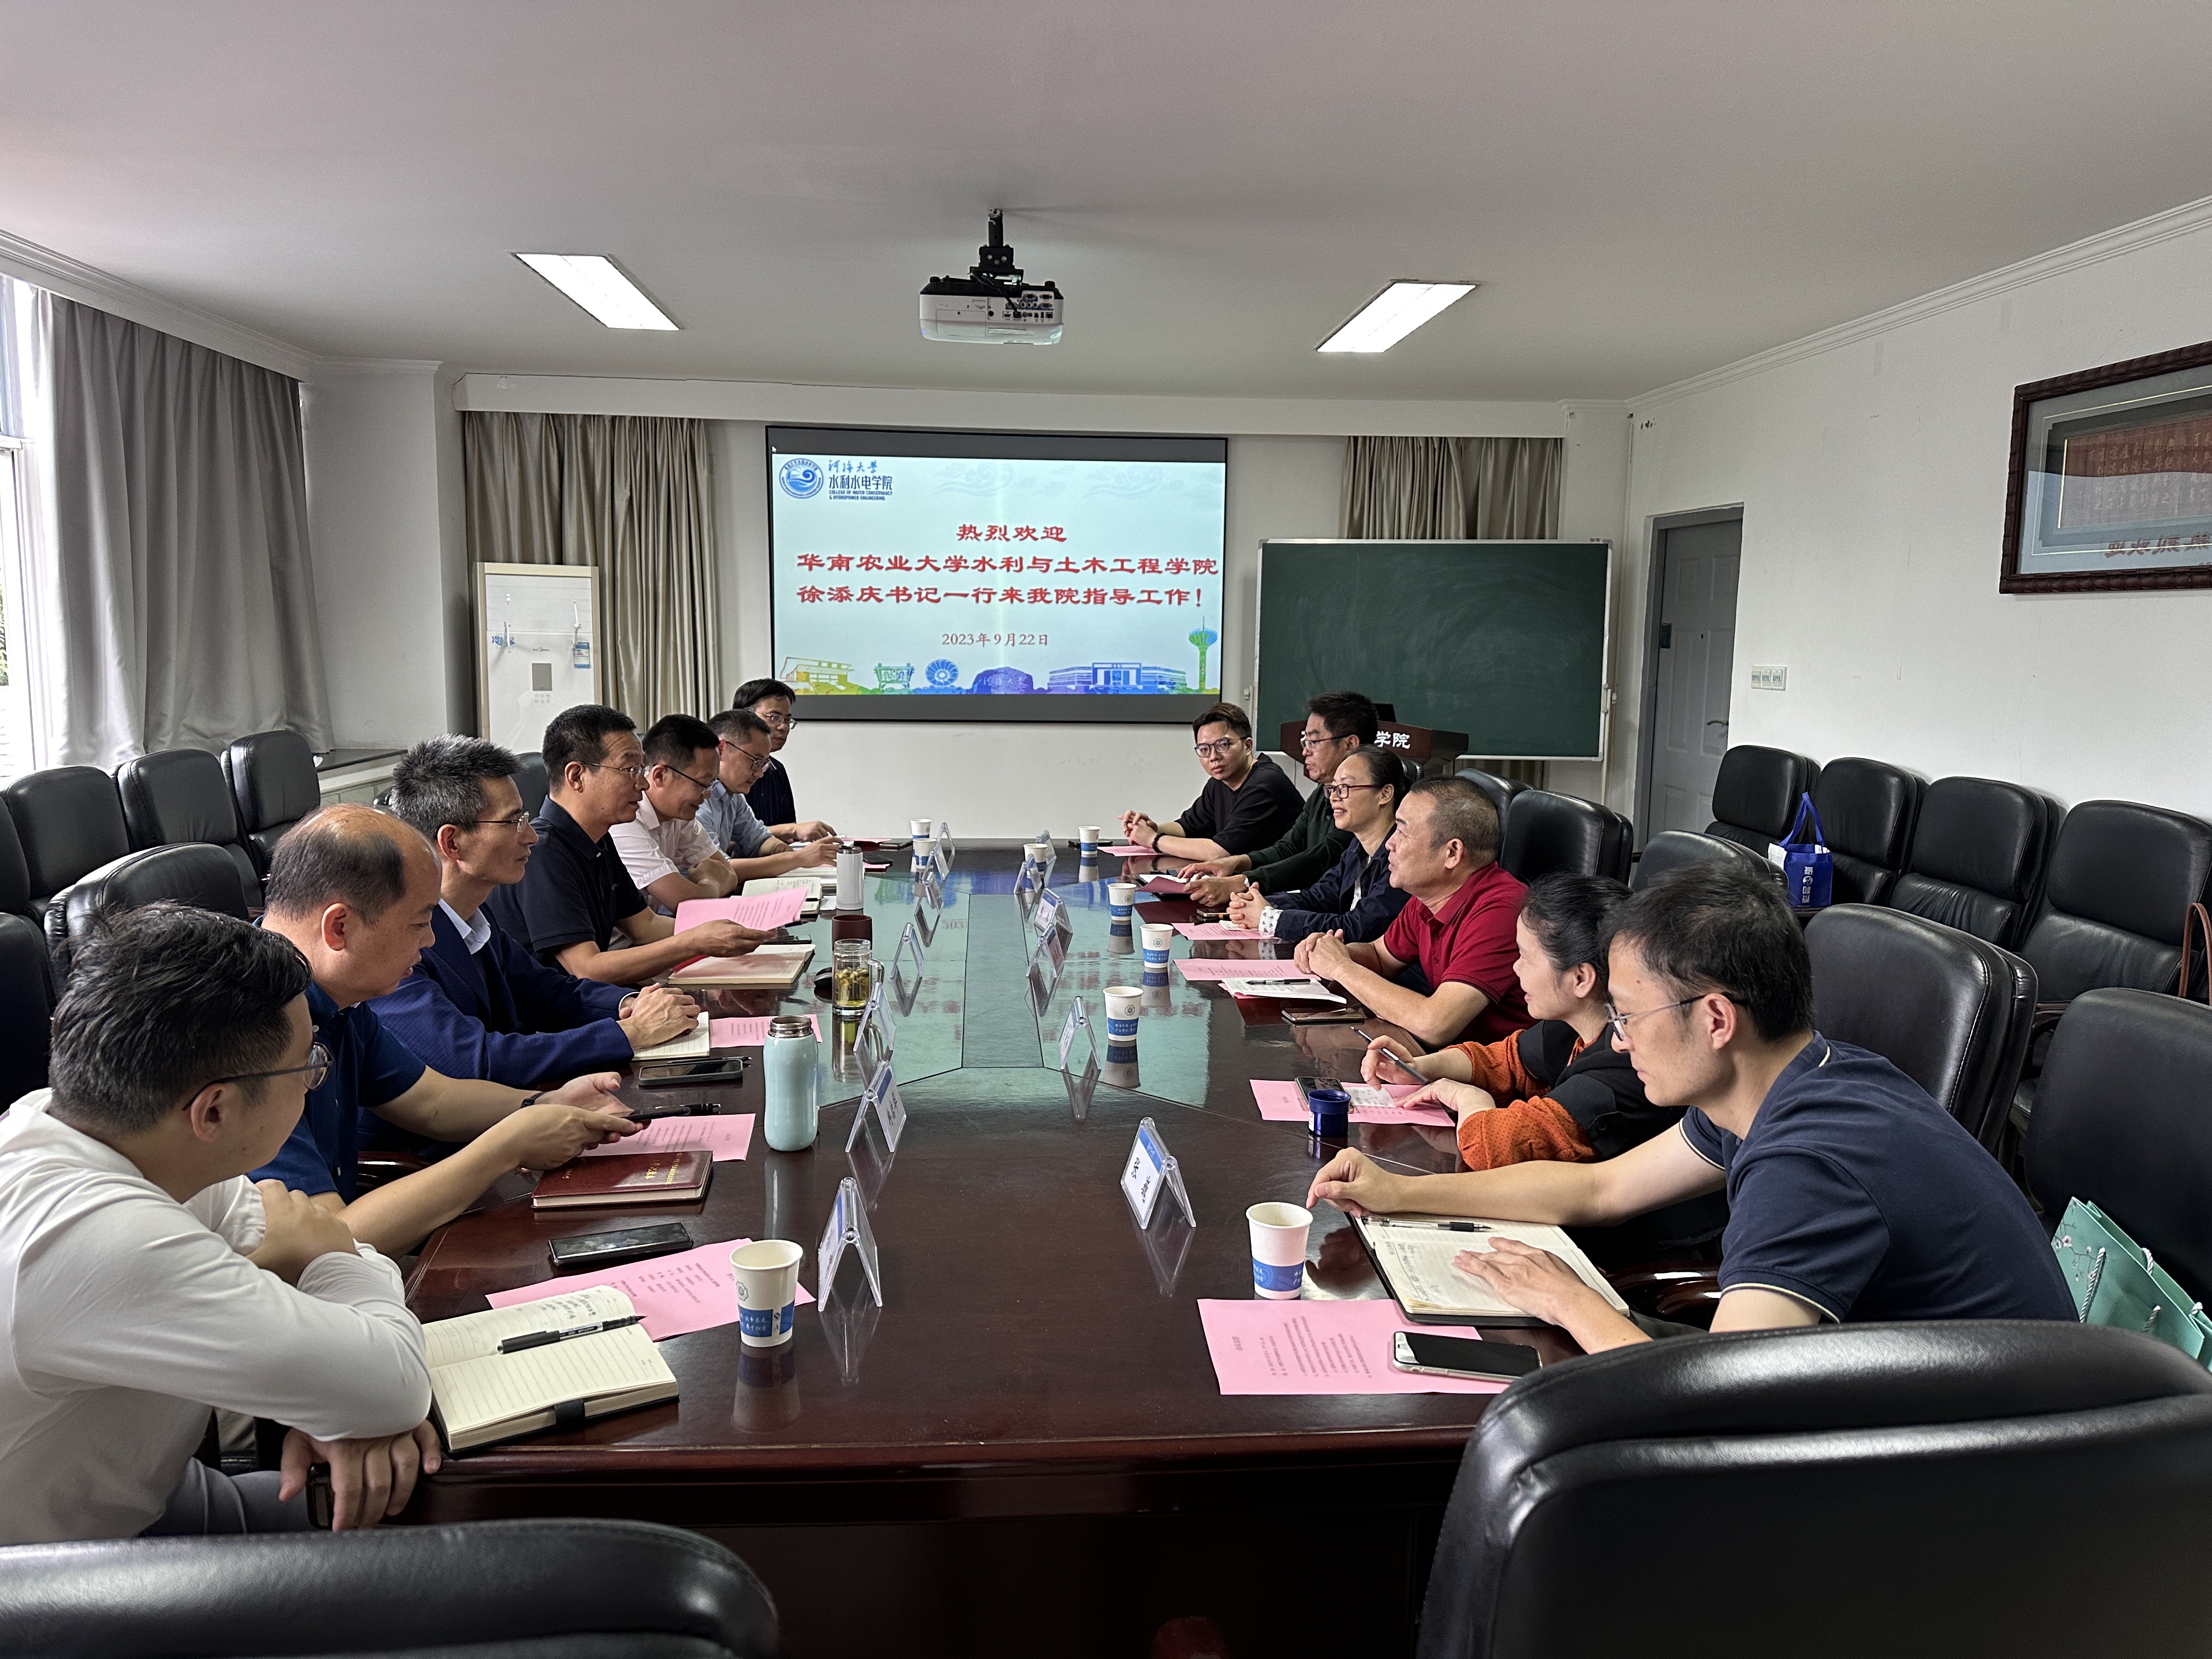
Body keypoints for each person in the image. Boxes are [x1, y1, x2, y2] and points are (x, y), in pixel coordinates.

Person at [1308, 862, 2077, 1353]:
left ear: (1714, 1019)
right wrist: (1398, 1193)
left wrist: (1569, 1300)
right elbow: (1598, 1189)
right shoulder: (1788, 1081)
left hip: (1987, 1471)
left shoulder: (1808, 1161)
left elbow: (1725, 1403)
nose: (1617, 1039)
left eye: (1629, 1016)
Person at [0, 903, 435, 1542]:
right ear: (213, 1112)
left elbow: (320, 1247)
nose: (313, 1081)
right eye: (307, 1068)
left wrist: (340, 1395)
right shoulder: (95, 1236)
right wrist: (334, 1289)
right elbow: (391, 1380)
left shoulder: (81, 1125)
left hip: (135, 1491)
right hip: (52, 1571)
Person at [256, 805, 644, 1255]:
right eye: (419, 923)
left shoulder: (337, 994)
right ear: (340, 927)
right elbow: (326, 1242)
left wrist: (544, 1104)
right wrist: (507, 1147)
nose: (430, 942)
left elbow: (432, 1101)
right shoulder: (248, 1027)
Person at [374, 736, 703, 1088]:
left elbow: (551, 993)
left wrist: (634, 1002)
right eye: (513, 822)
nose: (531, 836)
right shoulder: (396, 946)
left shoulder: (475, 917)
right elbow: (475, 1060)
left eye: (526, 819)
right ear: (453, 842)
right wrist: (630, 1032)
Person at [486, 704, 773, 986]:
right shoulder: (544, 852)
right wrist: (694, 942)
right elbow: (587, 969)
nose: (644, 784)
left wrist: (732, 927)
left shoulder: (600, 841)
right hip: (553, 1011)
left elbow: (647, 926)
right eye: (630, 770)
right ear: (577, 777)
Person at [1292, 776, 1530, 1047]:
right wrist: (1329, 952)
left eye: (1402, 832)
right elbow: (1380, 957)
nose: (1389, 844)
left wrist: (1341, 967)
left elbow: (1435, 1024)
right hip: (1449, 1056)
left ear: (1452, 853)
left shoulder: (1501, 911)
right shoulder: (1431, 895)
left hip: (1498, 1068)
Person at [1184, 690, 1370, 910]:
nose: (1305, 752)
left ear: (1349, 744)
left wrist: (1243, 882)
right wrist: (1239, 862)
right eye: (1305, 742)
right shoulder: (1323, 791)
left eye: (1313, 741)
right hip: (1311, 904)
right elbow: (1289, 847)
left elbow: (1321, 858)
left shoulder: (1364, 797)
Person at [1226, 747, 1409, 945]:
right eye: (1332, 788)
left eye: (1345, 787)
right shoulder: (1357, 848)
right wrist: (1259, 902)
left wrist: (1269, 918)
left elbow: (1356, 928)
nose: (1333, 798)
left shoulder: (1403, 858)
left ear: (1385, 794)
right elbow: (1318, 898)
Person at [1120, 702, 1304, 861]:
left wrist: (1153, 839)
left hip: (1290, 884)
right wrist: (1153, 828)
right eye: (1204, 749)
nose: (1213, 757)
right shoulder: (1219, 783)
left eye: (1223, 745)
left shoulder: (1264, 785)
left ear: (1247, 746)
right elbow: (1187, 827)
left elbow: (1219, 852)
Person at [692, 708, 842, 884]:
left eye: (763, 764)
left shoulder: (733, 796)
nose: (759, 774)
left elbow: (758, 839)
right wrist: (798, 858)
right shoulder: (698, 798)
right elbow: (719, 870)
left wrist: (780, 850)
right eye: (755, 762)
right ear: (722, 749)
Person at [731, 676, 835, 843]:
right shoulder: (724, 772)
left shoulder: (777, 770)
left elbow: (789, 834)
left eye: (787, 720)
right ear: (744, 717)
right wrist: (790, 831)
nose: (784, 727)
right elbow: (726, 840)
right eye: (775, 718)